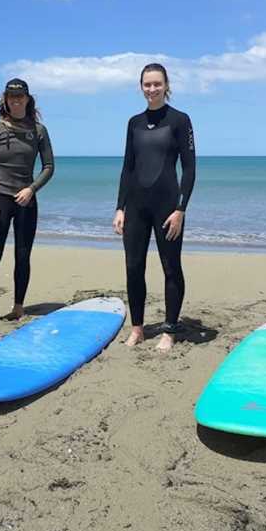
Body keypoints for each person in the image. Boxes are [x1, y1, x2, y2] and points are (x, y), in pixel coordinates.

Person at [113, 63, 196, 351]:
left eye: (157, 84)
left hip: (167, 208)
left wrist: (180, 209)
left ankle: (169, 330)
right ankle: (137, 328)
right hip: (136, 206)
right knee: (133, 267)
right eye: (147, 84)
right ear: (141, 87)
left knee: (170, 267)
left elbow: (189, 168)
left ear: (166, 85)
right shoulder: (134, 122)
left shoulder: (180, 120)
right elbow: (127, 167)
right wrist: (120, 207)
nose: (152, 89)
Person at [0, 78, 54, 327]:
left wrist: (31, 189)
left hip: (26, 201)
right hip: (0, 199)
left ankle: (18, 307)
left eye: (20, 97)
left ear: (28, 100)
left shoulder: (39, 130)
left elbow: (49, 167)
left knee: (23, 255)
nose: (16, 100)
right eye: (11, 97)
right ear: (5, 100)